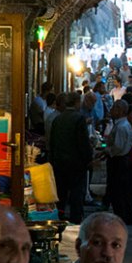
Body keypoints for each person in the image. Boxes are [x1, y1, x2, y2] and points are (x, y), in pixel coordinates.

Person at [49, 92, 93, 223]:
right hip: (76, 164)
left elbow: (52, 142)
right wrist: (88, 159)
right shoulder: (79, 119)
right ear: (76, 102)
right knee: (76, 195)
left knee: (61, 194)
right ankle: (75, 221)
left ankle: (59, 218)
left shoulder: (58, 119)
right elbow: (83, 143)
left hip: (59, 163)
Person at [103, 99, 132, 225]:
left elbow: (118, 147)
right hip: (121, 161)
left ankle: (121, 217)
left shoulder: (122, 126)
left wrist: (107, 151)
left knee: (118, 191)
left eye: (114, 108)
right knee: (121, 191)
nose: (111, 110)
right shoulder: (122, 124)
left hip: (119, 161)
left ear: (120, 111)